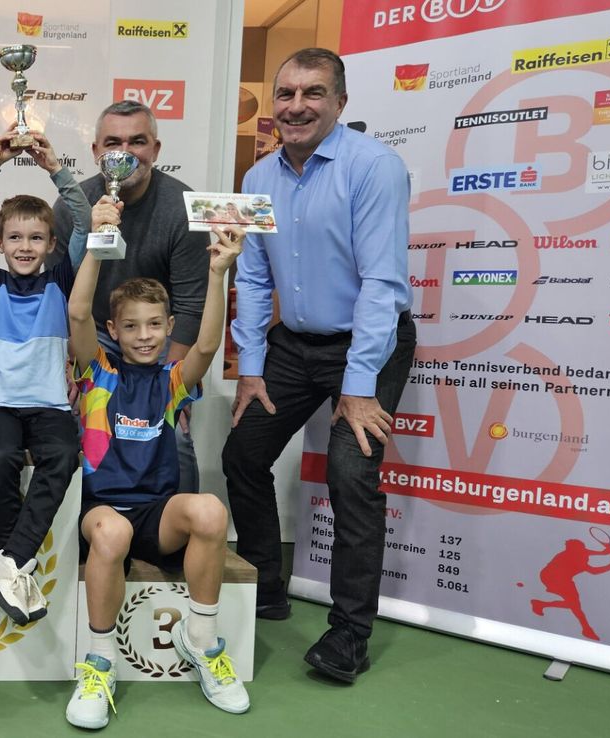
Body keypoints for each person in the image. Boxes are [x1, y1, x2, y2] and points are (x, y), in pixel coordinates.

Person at [223, 48, 416, 684]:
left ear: (340, 102)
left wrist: (359, 388)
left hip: (370, 340)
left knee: (350, 472)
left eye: (312, 93)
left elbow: (382, 287)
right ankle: (265, 589)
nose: (296, 106)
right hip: (292, 347)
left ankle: (350, 634)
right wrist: (251, 367)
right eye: (285, 94)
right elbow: (251, 279)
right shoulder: (255, 180)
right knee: (244, 455)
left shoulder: (376, 168)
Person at [66, 196, 248, 729]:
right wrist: (99, 241)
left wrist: (218, 273)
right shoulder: (96, 373)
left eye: (153, 325)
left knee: (211, 511)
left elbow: (210, 345)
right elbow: (77, 311)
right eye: (130, 326)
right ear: (113, 330)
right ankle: (100, 663)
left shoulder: (172, 384)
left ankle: (203, 640)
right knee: (113, 535)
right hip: (101, 513)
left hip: (156, 514)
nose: (143, 335)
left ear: (169, 325)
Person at [52, 100, 211, 497]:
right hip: (92, 335)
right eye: (113, 142)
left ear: (156, 150)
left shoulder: (182, 207)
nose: (125, 151)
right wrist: (68, 361)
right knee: (74, 425)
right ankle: (86, 534)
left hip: (157, 339)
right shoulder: (73, 205)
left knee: (173, 435)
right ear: (95, 151)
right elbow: (56, 294)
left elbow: (191, 305)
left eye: (137, 141)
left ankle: (178, 537)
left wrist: (170, 386)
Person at [0, 125, 87, 625]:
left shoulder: (62, 278)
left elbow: (82, 220)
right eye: (15, 237)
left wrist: (56, 167)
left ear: (52, 243)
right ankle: (17, 565)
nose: (26, 245)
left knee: (63, 454)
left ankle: (8, 561)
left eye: (37, 237)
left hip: (49, 403)